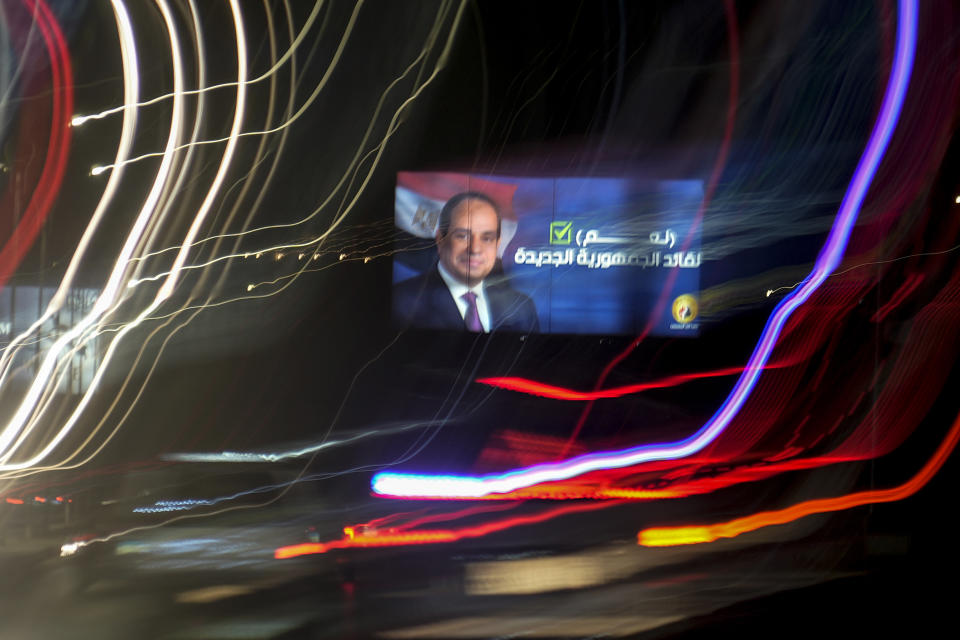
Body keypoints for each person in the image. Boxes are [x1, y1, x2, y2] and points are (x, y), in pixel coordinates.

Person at [393, 192, 539, 333]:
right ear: (440, 240)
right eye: (462, 236)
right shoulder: (400, 302)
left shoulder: (522, 306)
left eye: (487, 238)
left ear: (497, 244)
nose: (475, 249)